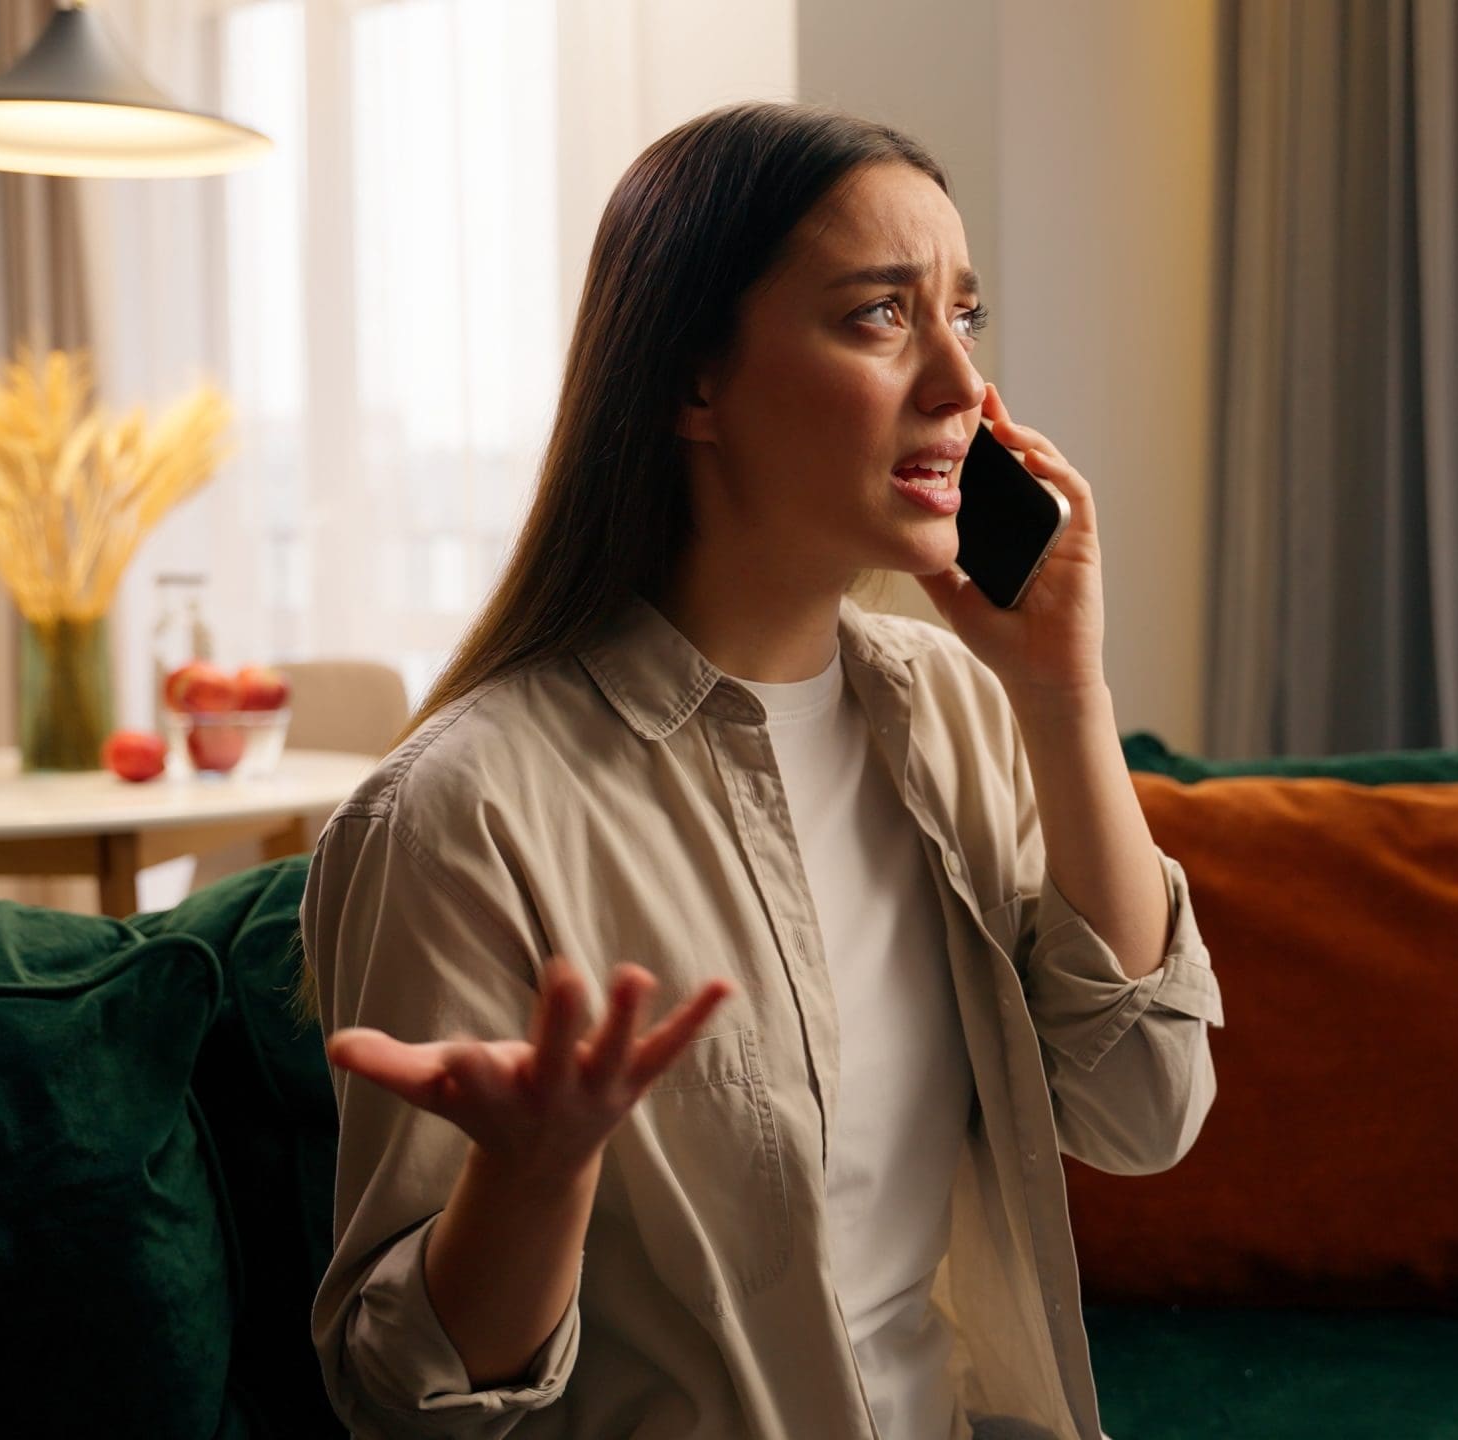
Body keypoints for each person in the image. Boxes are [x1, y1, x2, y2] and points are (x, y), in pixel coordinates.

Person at [296, 99, 1226, 1440]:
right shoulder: (460, 812)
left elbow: (1145, 1114)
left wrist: (1066, 696)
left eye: (963, 316)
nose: (961, 387)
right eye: (876, 316)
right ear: (691, 382)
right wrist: (537, 1175)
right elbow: (412, 1406)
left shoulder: (960, 715)